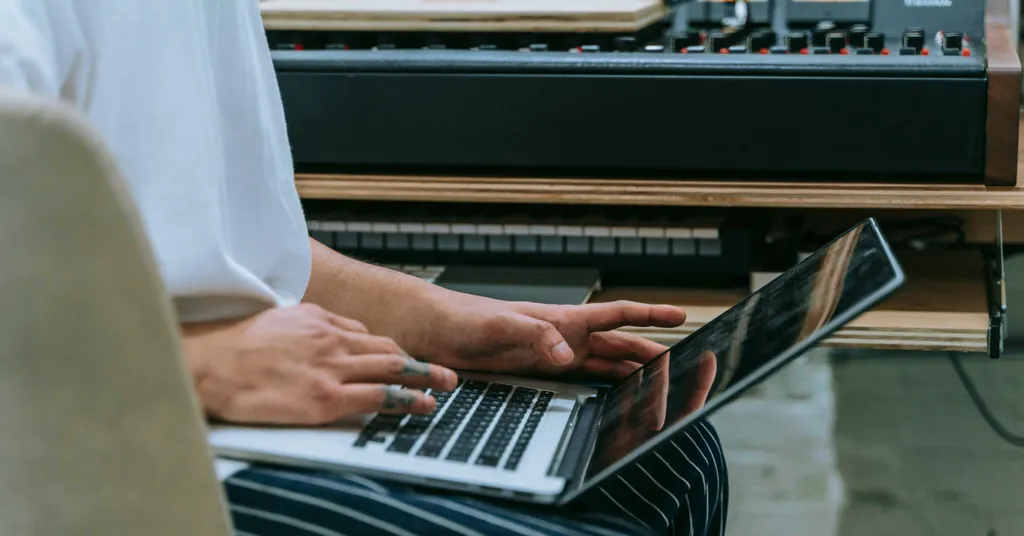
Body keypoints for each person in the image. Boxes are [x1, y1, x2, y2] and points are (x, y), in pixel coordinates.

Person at [0, 1, 729, 534]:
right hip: (98, 438)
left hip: (247, 405)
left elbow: (220, 240)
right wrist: (193, 368)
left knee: (674, 454)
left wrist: (438, 321)